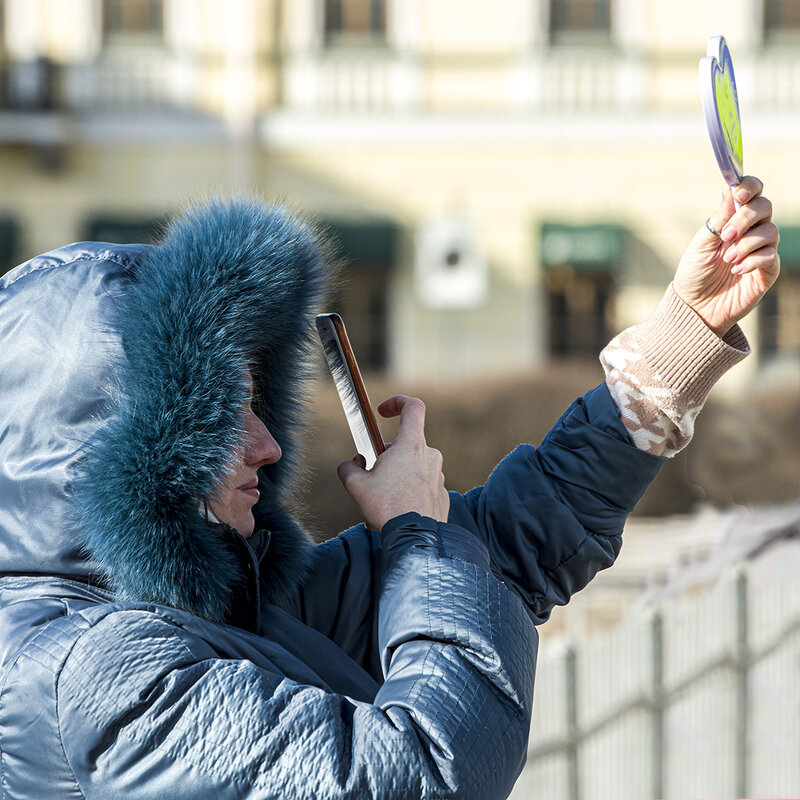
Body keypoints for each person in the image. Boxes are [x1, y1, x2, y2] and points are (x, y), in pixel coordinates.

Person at [0, 178, 778, 799]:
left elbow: (501, 555)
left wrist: (680, 342)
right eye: (222, 414)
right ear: (125, 447)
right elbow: (426, 773)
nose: (268, 446)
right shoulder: (100, 675)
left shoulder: (207, 608)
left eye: (254, 403)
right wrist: (414, 526)